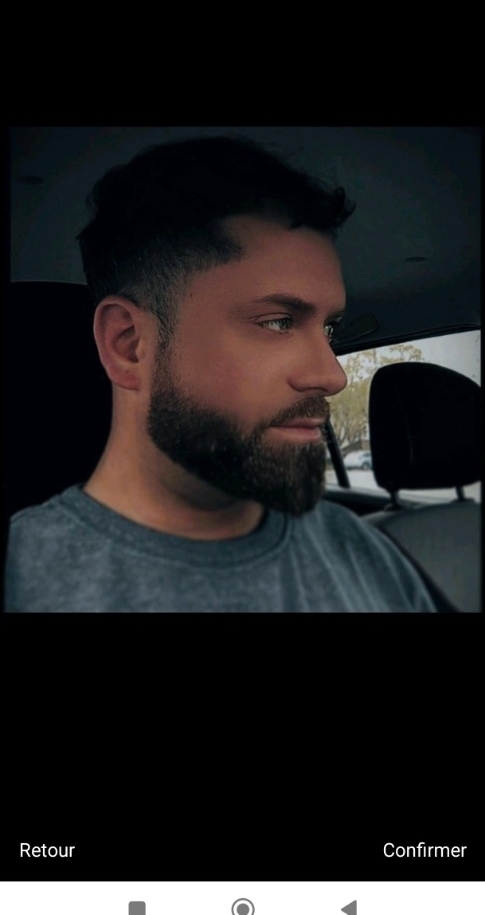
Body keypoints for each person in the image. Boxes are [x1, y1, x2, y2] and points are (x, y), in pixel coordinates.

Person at [5, 135, 437, 612]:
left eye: (329, 329)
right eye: (278, 322)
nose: (332, 376)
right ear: (128, 345)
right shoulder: (25, 578)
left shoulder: (362, 552)